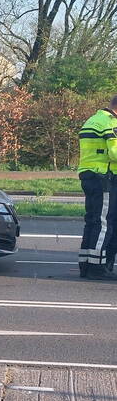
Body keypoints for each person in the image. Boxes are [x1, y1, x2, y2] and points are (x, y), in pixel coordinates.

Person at [77, 98, 117, 280]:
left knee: (92, 221)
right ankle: (96, 268)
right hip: (103, 177)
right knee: (103, 223)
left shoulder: (93, 119)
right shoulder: (111, 123)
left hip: (88, 175)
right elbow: (115, 153)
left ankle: (85, 264)